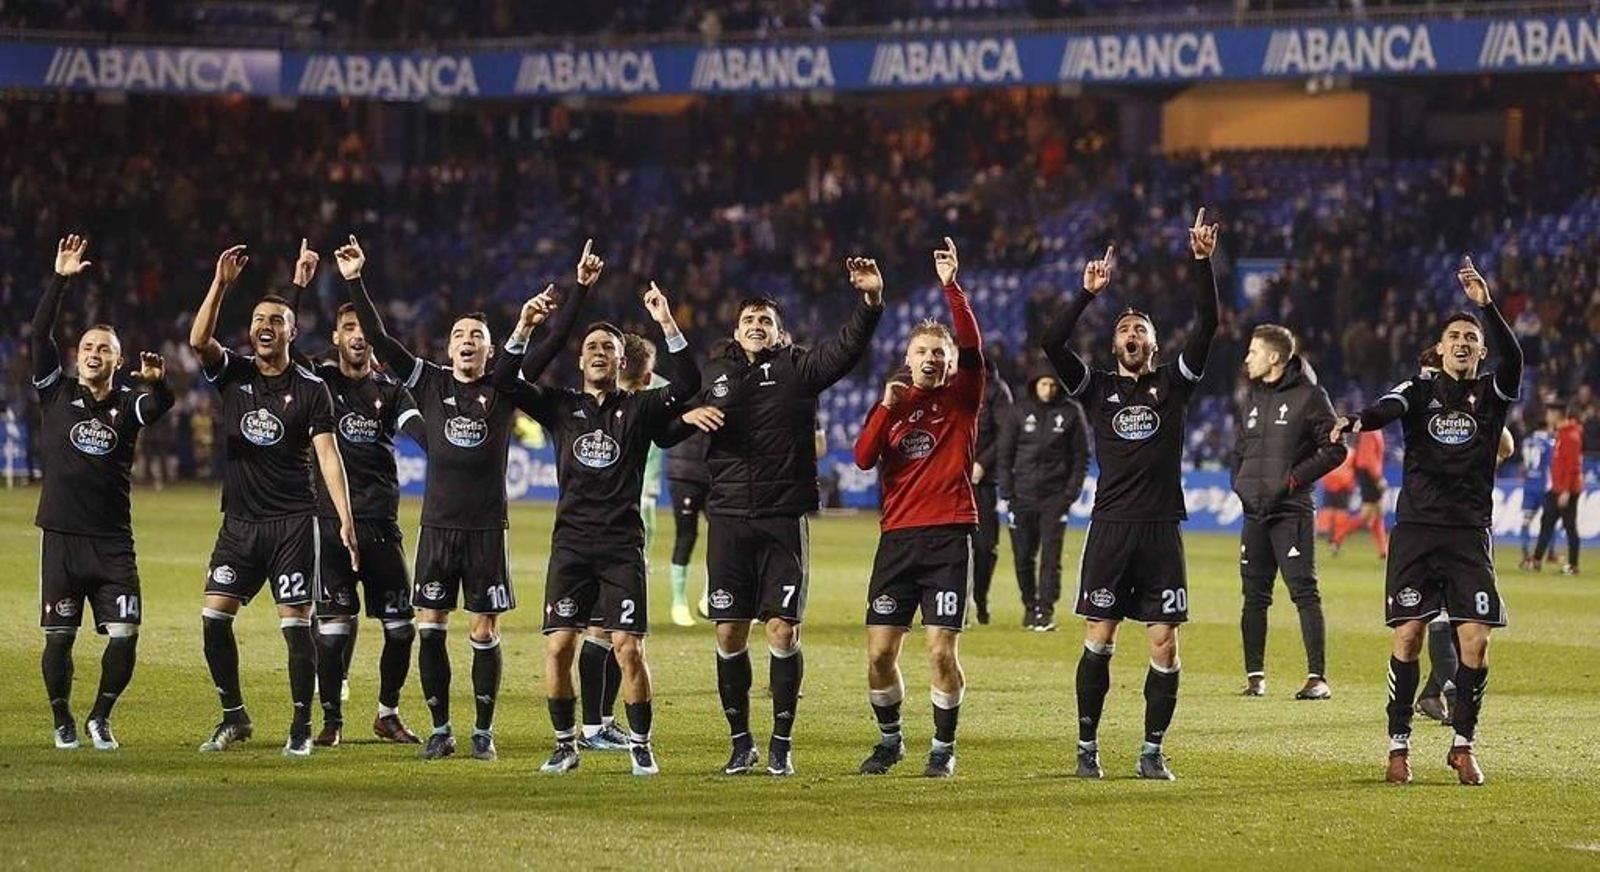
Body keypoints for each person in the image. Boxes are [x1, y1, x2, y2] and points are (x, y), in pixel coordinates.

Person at [339, 235, 593, 761]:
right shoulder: (427, 382)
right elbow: (383, 341)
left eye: (477, 335)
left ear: (490, 349)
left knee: (483, 629)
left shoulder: (503, 387)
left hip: (485, 530)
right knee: (431, 626)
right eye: (459, 335)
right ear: (448, 348)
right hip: (437, 528)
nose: (467, 340)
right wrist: (354, 280)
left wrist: (578, 293)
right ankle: (440, 727)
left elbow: (551, 346)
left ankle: (482, 730)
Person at [666, 256, 884, 776]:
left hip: (783, 518)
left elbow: (847, 349)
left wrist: (870, 301)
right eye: (748, 320)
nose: (757, 326)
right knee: (728, 635)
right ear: (736, 331)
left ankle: (782, 743)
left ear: (779, 331)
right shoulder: (715, 373)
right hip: (729, 519)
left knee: (783, 632)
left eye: (766, 320)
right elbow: (666, 429)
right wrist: (684, 414)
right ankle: (741, 743)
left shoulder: (798, 368)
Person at [1040, 207, 1222, 782]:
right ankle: (1087, 745)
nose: (1133, 335)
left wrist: (1202, 263)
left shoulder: (1175, 383)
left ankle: (1151, 750)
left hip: (1162, 526)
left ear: (1153, 343)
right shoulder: (1095, 389)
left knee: (1165, 643)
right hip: (1112, 526)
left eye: (1141, 330)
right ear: (1115, 342)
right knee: (1100, 636)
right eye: (1125, 330)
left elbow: (1210, 323)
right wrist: (1087, 295)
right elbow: (1050, 340)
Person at [1330, 255, 1522, 786]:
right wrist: (1354, 421)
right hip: (1416, 530)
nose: (1462, 342)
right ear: (1440, 349)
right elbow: (1383, 409)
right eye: (1454, 336)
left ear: (1480, 352)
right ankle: (1399, 745)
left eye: (1471, 338)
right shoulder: (1417, 390)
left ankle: (1463, 744)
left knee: (1476, 642)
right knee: (1409, 636)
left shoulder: (1492, 395)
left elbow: (1516, 359)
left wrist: (1488, 306)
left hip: (1467, 534)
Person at [516, 280, 699, 777]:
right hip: (570, 546)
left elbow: (687, 385)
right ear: (581, 360)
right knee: (558, 647)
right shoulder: (560, 406)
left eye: (608, 348)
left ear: (622, 362)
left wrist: (665, 320)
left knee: (628, 649)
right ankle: (564, 744)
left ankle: (641, 743)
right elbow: (508, 381)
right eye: (591, 347)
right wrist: (525, 327)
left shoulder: (639, 408)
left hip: (621, 546)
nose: (598, 353)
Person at [190, 244, 359, 757]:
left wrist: (345, 520)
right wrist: (220, 284)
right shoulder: (234, 374)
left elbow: (328, 456)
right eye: (258, 318)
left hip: (292, 522)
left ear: (292, 332)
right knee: (214, 618)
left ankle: (301, 727)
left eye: (276, 320)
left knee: (294, 626)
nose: (265, 325)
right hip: (239, 522)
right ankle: (233, 716)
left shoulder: (311, 389)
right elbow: (199, 340)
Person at [280, 240, 428, 747]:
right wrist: (298, 286)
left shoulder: (390, 390)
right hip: (328, 522)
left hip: (380, 523)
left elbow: (419, 431)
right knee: (334, 627)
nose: (358, 337)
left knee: (401, 628)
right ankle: (332, 720)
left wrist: (448, 450)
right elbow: (282, 343)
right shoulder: (318, 379)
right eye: (349, 329)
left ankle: (386, 713)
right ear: (335, 337)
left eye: (364, 329)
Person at [33, 235, 174, 751]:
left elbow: (160, 405)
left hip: (113, 543)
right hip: (62, 539)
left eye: (103, 350)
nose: (93, 354)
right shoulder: (56, 392)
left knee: (126, 633)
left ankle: (100, 716)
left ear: (118, 362)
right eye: (88, 347)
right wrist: (61, 280)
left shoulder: (128, 404)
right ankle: (61, 719)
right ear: (78, 356)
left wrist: (161, 385)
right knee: (59, 638)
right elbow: (37, 333)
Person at [852, 238, 982, 778]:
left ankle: (942, 748)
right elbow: (862, 459)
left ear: (951, 363)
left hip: (949, 535)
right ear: (907, 360)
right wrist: (885, 408)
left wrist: (952, 287)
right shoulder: (894, 406)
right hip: (898, 539)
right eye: (923, 352)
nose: (932, 359)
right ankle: (890, 741)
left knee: (938, 652)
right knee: (879, 655)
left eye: (940, 353)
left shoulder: (963, 397)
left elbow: (973, 344)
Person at [1230, 325, 1347, 700]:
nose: (1247, 358)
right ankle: (1255, 677)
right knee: (1254, 595)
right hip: (1254, 512)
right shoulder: (1252, 395)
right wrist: (1241, 484)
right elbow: (1240, 448)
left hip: (1290, 511)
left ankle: (1318, 678)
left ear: (1274, 358)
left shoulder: (1311, 396)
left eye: (1253, 351)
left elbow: (1335, 450)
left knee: (1303, 591)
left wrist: (1293, 481)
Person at [996, 361, 1089, 631]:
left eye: (1052, 385)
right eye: (1043, 384)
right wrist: (1008, 493)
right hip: (1021, 498)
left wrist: (1069, 495)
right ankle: (1029, 605)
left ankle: (1045, 611)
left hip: (1054, 499)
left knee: (1051, 558)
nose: (1048, 390)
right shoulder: (1019, 411)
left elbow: (1081, 457)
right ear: (1034, 385)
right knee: (1023, 557)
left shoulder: (1072, 412)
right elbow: (1004, 455)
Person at [970, 357, 1014, 625]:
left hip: (981, 481)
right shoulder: (950, 382)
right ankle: (951, 602)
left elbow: (1005, 434)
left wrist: (982, 463)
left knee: (985, 547)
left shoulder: (997, 391)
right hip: (950, 479)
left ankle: (981, 599)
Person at [1530, 401, 1582, 575]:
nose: (1547, 416)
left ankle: (1573, 565)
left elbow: (1573, 467)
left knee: (1569, 527)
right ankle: (1536, 561)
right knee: (1546, 523)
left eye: (1549, 413)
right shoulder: (1561, 434)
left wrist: (1566, 491)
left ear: (1557, 415)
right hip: (1556, 489)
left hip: (1566, 491)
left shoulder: (1571, 437)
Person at [667, 427, 712, 623]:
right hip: (684, 473)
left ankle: (710, 597)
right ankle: (679, 603)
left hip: (717, 474)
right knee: (686, 536)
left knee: (723, 537)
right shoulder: (681, 397)